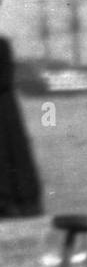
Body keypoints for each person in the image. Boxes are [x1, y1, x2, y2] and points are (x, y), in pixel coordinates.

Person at [0, 35, 43, 218]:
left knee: (8, 153)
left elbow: (4, 79)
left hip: (3, 110)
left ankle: (11, 201)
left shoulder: (1, 45)